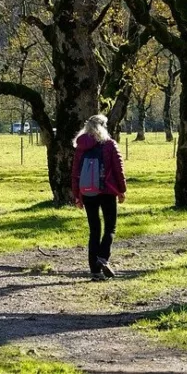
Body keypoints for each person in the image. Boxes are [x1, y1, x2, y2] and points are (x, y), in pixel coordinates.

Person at [71, 114, 127, 280]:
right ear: (104, 127)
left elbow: (75, 173)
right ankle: (102, 258)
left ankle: (94, 271)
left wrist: (77, 196)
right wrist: (121, 190)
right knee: (110, 227)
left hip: (87, 193)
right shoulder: (109, 145)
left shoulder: (80, 146)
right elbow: (119, 169)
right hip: (107, 191)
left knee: (94, 230)